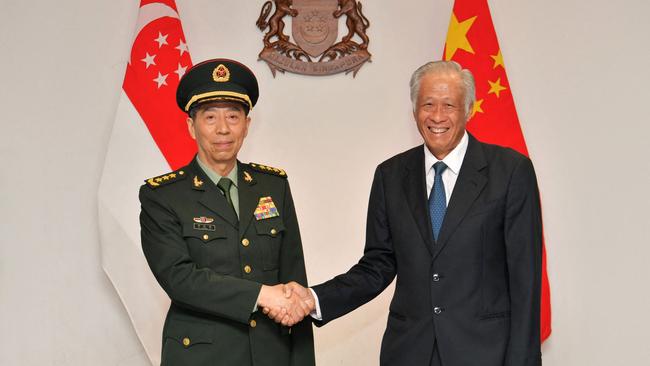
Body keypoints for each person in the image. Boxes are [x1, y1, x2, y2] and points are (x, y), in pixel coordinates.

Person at [271, 60, 543, 366]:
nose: (437, 116)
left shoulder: (510, 171)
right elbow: (377, 265)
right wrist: (313, 299)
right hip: (409, 353)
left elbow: (525, 280)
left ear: (468, 109)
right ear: (414, 110)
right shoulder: (390, 175)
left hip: (485, 353)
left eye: (449, 105)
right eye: (428, 104)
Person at [139, 58, 315, 366]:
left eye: (233, 116)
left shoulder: (273, 186)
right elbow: (179, 278)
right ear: (191, 126)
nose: (223, 129)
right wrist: (261, 294)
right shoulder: (162, 196)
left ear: (247, 125)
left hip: (270, 355)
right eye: (210, 118)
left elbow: (293, 282)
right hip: (202, 357)